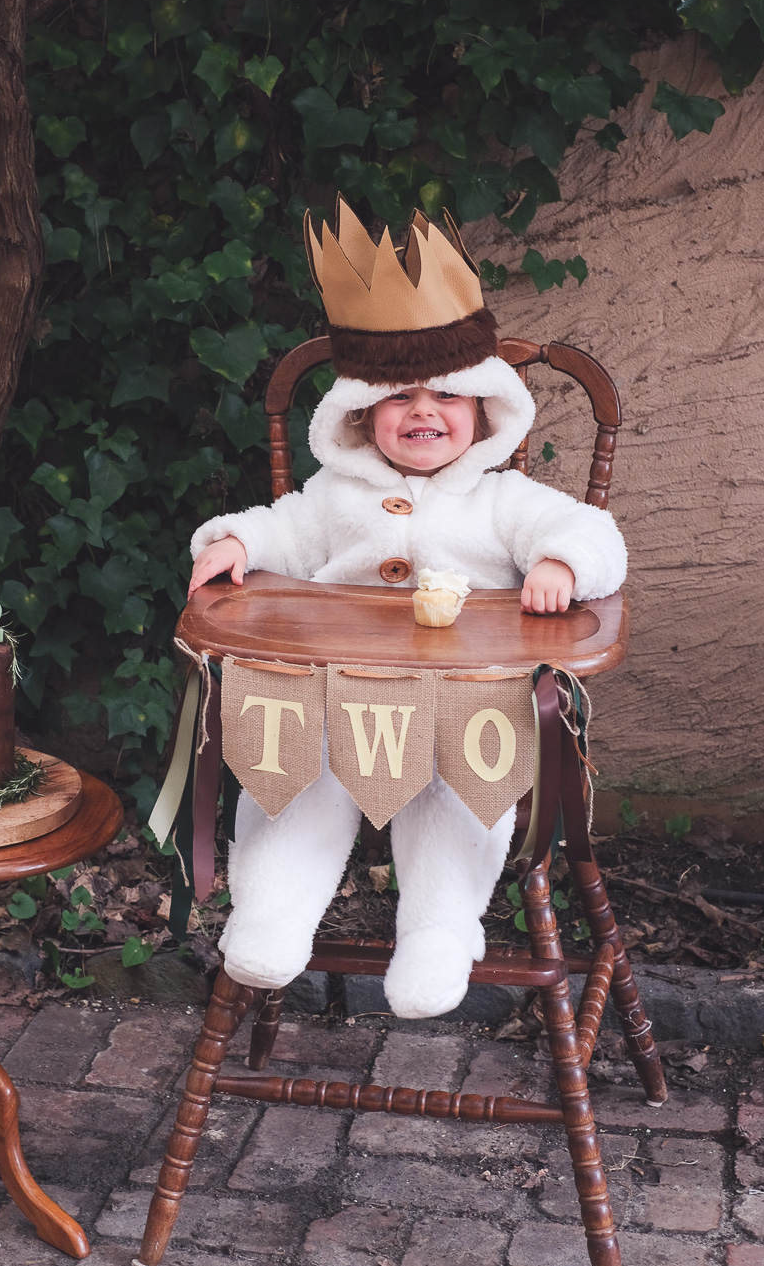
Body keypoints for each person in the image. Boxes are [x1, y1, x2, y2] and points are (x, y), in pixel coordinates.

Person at [188, 199, 626, 1018]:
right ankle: (271, 914)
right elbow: (281, 526)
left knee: (457, 792)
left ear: (484, 413)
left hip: (462, 710)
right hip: (332, 695)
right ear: (360, 415)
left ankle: (438, 926)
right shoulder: (336, 493)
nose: (423, 411)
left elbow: (586, 528)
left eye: (446, 397)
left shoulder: (503, 501)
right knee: (292, 777)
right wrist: (237, 545)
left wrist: (563, 562)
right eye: (399, 399)